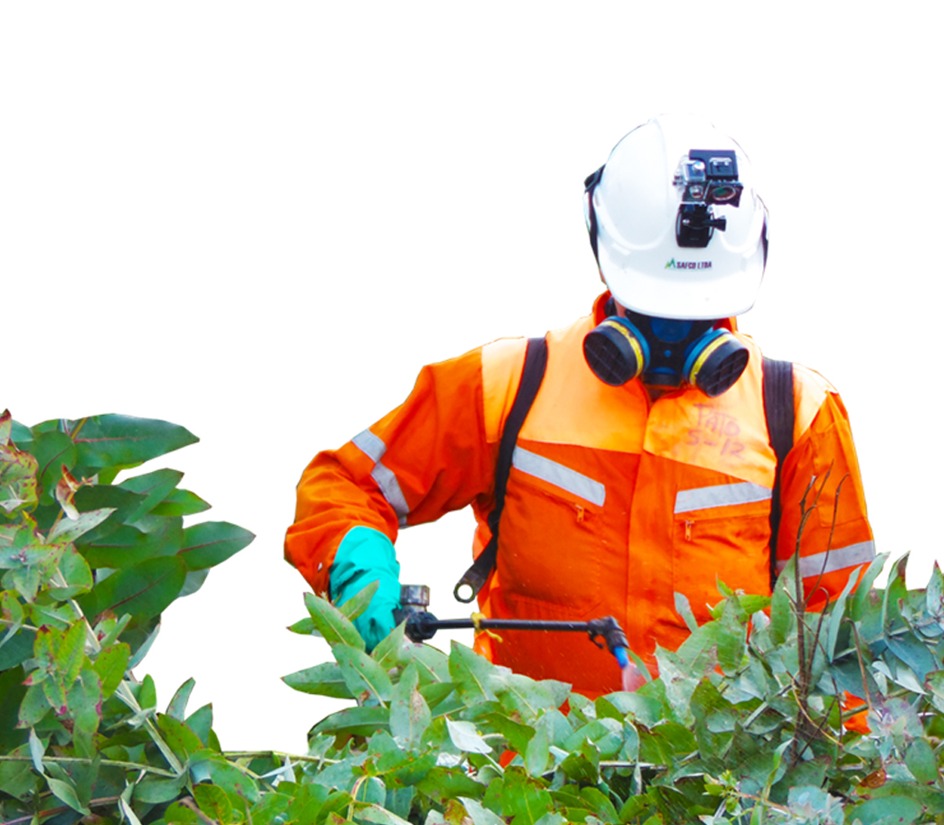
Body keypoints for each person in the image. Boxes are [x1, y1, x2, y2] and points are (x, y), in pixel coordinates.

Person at [285, 114, 874, 696]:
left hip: (719, 788)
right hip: (524, 779)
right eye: (653, 311)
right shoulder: (511, 387)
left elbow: (846, 647)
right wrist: (359, 566)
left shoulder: (796, 417)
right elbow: (343, 488)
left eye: (694, 313)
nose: (671, 340)